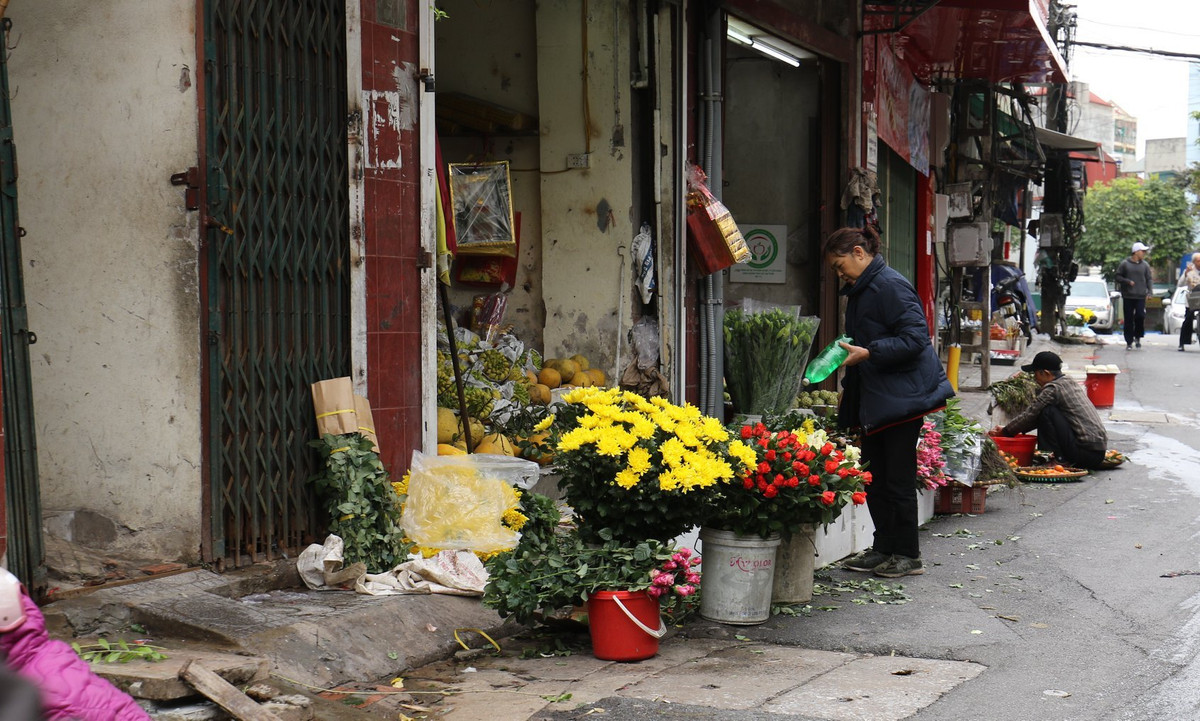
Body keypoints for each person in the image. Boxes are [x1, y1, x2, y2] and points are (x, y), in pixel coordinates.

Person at [823, 226, 955, 579]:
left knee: (896, 479)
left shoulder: (890, 286)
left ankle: (908, 554)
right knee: (874, 478)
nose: (839, 274)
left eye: (839, 265)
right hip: (876, 397)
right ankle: (883, 548)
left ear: (858, 253)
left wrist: (869, 352)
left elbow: (915, 340)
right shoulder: (861, 289)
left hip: (901, 399)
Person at [990, 351, 1108, 470]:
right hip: (1098, 454)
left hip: (1085, 454)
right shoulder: (1068, 381)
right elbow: (1034, 419)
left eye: (1035, 374)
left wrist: (1005, 432)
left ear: (1044, 373)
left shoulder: (1053, 388)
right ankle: (1059, 457)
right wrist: (1008, 429)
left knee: (1047, 412)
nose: (1035, 379)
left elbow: (1030, 414)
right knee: (1046, 412)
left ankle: (1060, 460)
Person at [1115, 242, 1153, 350]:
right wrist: (1127, 281)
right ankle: (1129, 341)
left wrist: (1149, 292)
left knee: (1140, 316)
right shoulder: (1125, 264)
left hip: (1141, 295)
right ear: (1136, 252)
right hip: (1128, 296)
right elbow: (1118, 276)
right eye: (1142, 251)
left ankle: (1138, 336)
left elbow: (1149, 279)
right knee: (1128, 318)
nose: (1144, 253)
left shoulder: (1145, 265)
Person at [1176, 253, 1200, 351]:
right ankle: (1182, 343)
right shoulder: (1189, 270)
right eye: (1198, 261)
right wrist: (1186, 274)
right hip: (1192, 299)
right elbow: (1180, 284)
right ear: (1194, 262)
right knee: (1188, 319)